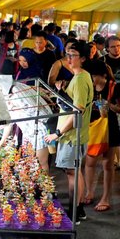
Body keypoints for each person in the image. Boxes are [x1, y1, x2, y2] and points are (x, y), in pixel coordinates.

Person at [44, 41, 93, 224]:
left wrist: (57, 133)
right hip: (76, 134)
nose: (69, 59)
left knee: (72, 173)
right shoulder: (81, 76)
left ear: (82, 58)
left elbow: (76, 110)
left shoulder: (80, 79)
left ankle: (73, 212)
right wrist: (62, 92)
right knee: (74, 171)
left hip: (72, 135)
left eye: (72, 55)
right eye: (67, 55)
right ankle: (78, 210)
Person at [84, 60, 120, 212]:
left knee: (107, 165)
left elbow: (119, 108)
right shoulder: (88, 87)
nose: (91, 79)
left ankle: (105, 197)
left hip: (110, 128)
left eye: (93, 76)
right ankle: (89, 192)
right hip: (92, 128)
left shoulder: (114, 87)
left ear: (103, 75)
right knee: (89, 162)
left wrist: (108, 105)